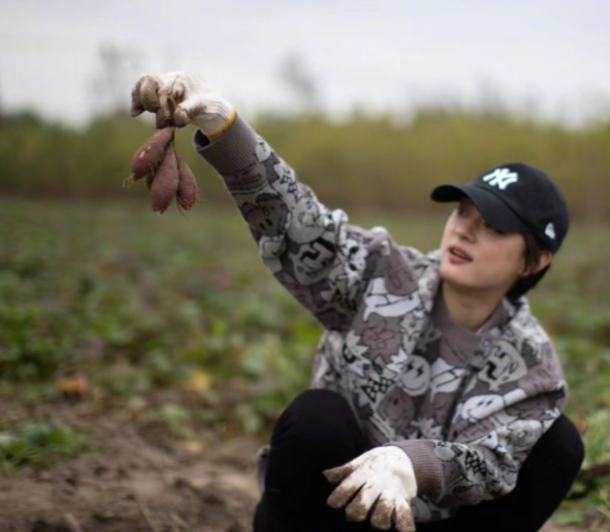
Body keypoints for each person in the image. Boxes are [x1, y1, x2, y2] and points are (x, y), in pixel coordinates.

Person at [130, 72, 585, 532]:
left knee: (560, 445)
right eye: (463, 211)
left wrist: (411, 465)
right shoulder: (382, 273)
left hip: (428, 523)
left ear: (534, 262)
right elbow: (300, 227)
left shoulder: (533, 368)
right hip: (332, 510)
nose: (464, 229)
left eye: (494, 225)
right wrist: (227, 130)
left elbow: (493, 462)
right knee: (315, 416)